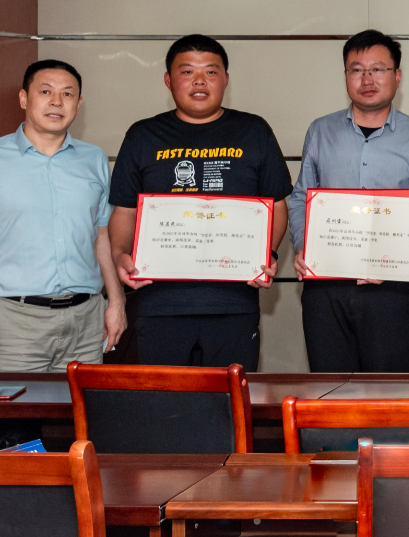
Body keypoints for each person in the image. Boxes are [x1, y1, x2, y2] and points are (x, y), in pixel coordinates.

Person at [108, 35, 291, 370]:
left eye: (210, 71)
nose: (199, 81)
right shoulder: (143, 135)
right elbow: (125, 210)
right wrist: (120, 253)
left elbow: (276, 204)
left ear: (226, 79)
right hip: (159, 304)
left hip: (233, 303)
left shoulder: (254, 131)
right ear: (168, 80)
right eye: (187, 71)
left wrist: (270, 253)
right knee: (164, 398)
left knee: (230, 397)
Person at [0, 60, 125, 372]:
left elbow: (101, 238)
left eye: (67, 94)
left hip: (86, 322)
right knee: (12, 405)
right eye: (45, 91)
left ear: (78, 104)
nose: (57, 101)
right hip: (12, 323)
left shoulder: (94, 159)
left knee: (81, 406)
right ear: (24, 98)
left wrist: (116, 302)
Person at [288, 30, 409, 373]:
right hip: (326, 285)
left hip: (392, 290)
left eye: (378, 69)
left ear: (397, 76)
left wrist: (396, 261)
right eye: (356, 70)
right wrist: (303, 246)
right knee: (328, 390)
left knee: (388, 392)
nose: (367, 79)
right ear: (345, 76)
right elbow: (300, 198)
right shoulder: (320, 131)